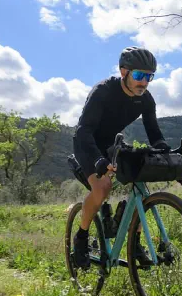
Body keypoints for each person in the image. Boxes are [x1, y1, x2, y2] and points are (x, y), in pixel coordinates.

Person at [72, 46, 169, 268]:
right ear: (124, 72)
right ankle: (81, 238)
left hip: (113, 144)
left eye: (149, 76)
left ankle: (133, 242)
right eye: (138, 75)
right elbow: (84, 130)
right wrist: (98, 160)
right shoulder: (103, 91)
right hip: (87, 143)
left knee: (140, 182)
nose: (144, 82)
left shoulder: (146, 99)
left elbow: (154, 132)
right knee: (102, 188)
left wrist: (164, 149)